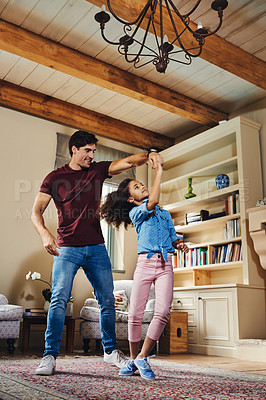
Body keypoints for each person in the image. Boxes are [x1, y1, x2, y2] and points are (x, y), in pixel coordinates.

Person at [31, 130, 163, 375]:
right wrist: (45, 235)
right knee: (59, 299)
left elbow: (130, 161)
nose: (92, 155)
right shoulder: (54, 177)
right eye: (87, 151)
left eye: (94, 151)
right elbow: (36, 211)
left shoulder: (98, 170)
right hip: (67, 247)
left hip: (96, 247)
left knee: (107, 301)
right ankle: (49, 356)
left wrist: (150, 155)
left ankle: (111, 352)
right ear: (74, 149)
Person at [100, 162, 188, 380]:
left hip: (166, 263)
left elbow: (173, 237)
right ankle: (132, 359)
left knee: (163, 311)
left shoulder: (165, 215)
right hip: (144, 265)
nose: (142, 187)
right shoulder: (137, 213)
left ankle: (142, 356)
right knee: (135, 315)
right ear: (131, 199)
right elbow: (154, 200)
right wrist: (159, 172)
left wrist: (179, 244)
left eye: (141, 185)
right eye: (137, 188)